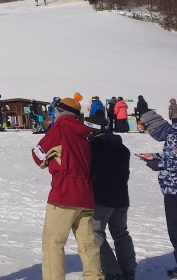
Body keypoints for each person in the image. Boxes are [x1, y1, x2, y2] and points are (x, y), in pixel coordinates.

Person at [31, 96, 101, 279]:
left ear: (60, 111)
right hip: (85, 195)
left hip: (63, 194)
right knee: (88, 245)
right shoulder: (84, 134)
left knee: (53, 244)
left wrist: (48, 159)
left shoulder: (60, 129)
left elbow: (38, 154)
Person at [85, 112, 136, 280]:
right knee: (121, 233)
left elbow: (89, 173)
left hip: (101, 198)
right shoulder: (122, 148)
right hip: (121, 197)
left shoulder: (92, 146)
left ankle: (113, 272)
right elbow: (125, 174)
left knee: (95, 233)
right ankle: (128, 270)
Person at [136, 109, 177, 278]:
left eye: (151, 130)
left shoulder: (174, 135)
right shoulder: (172, 135)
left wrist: (158, 164)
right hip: (171, 189)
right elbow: (171, 157)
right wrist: (154, 157)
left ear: (157, 126)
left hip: (174, 191)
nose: (151, 134)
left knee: (175, 230)